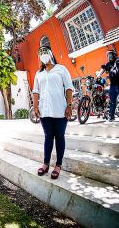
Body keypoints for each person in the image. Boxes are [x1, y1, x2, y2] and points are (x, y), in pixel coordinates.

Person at [32, 46, 74, 179]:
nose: (43, 55)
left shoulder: (61, 69)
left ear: (51, 53)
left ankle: (58, 165)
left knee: (60, 136)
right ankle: (45, 164)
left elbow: (68, 88)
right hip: (45, 110)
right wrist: (35, 106)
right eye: (41, 53)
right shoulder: (39, 73)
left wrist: (69, 105)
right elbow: (36, 91)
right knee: (48, 136)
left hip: (60, 110)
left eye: (45, 52)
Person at [99, 50, 119, 122]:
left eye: (110, 54)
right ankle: (111, 116)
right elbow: (103, 69)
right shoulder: (108, 64)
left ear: (114, 55)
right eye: (108, 55)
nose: (109, 56)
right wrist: (99, 74)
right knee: (112, 101)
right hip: (113, 85)